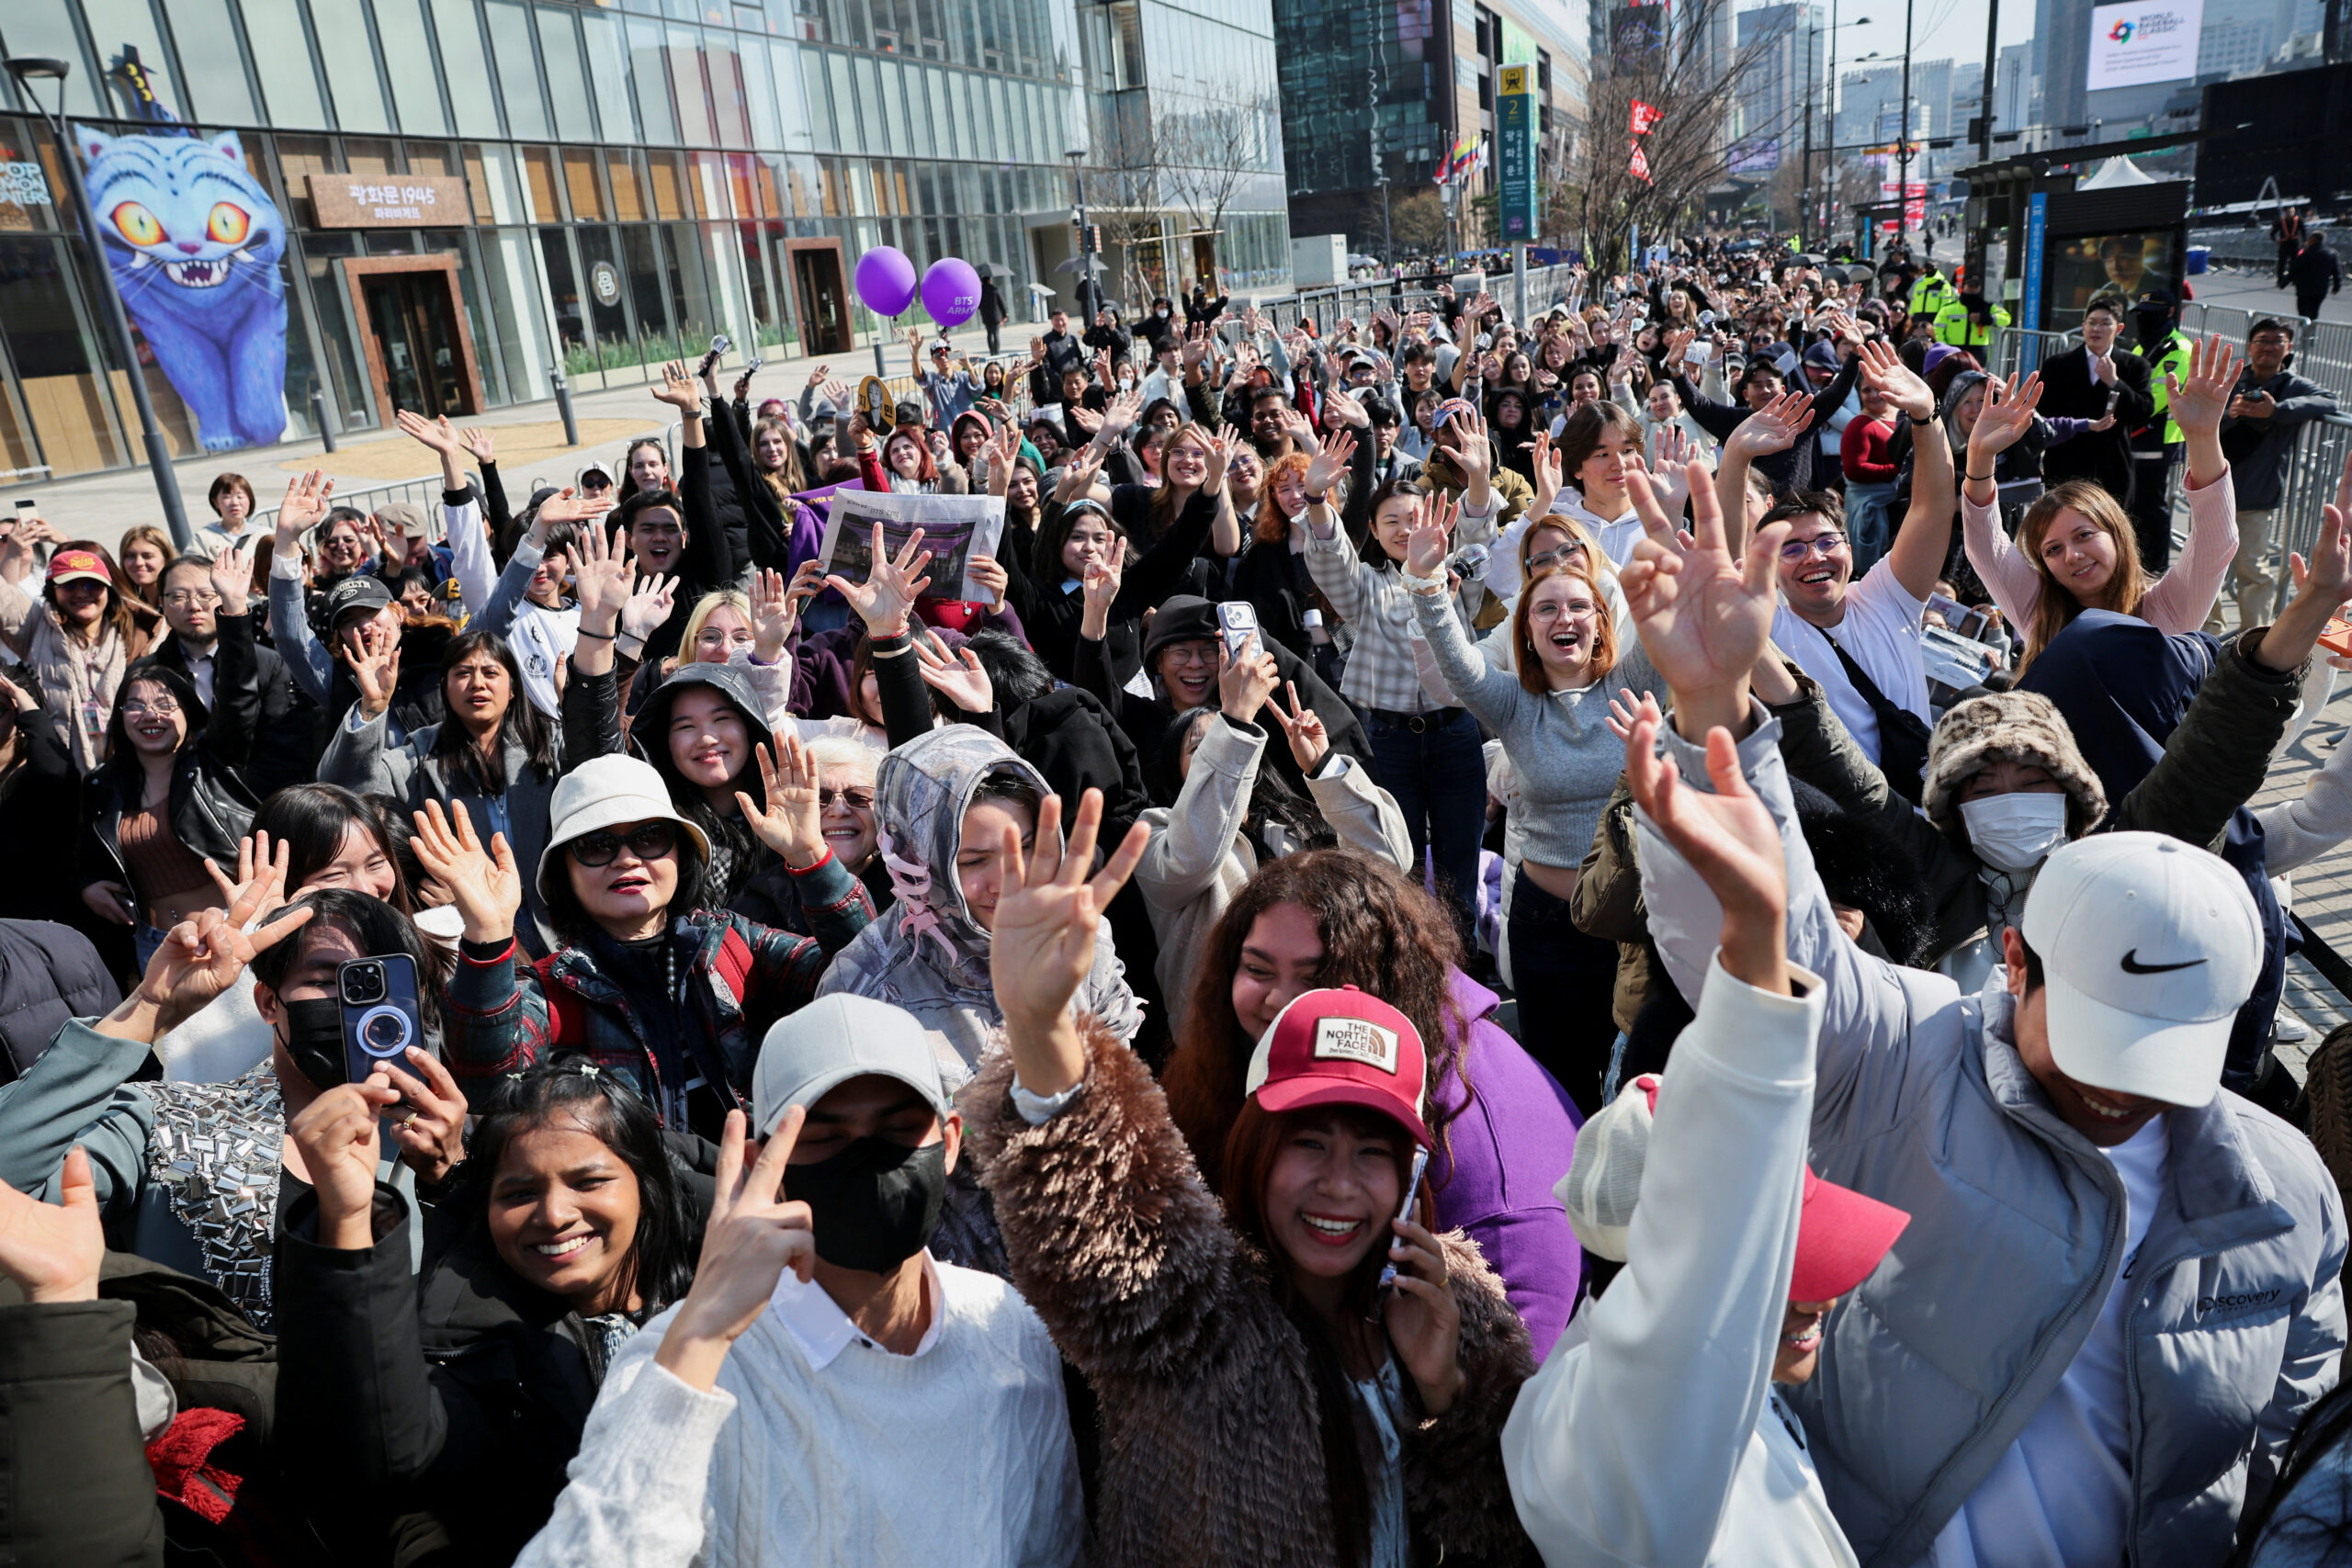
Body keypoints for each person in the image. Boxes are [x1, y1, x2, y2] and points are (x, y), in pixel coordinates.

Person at [1613, 490, 2348, 1568]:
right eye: (2096, 1031)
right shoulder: (1912, 1052)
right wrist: (1712, 707)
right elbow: (1783, 953)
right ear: (2015, 968)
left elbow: (2296, 1472)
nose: (2120, 1092)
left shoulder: (2282, 1199)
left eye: (2159, 1043)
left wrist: (2298, 628)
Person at [968, 790, 1540, 1565]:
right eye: (1308, 1141)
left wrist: (1449, 1398)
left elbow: (1518, 1533)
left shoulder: (1458, 1307)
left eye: (1372, 1150)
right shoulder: (1192, 1313)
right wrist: (1039, 1030)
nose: (1339, 1182)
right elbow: (1096, 1204)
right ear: (1254, 1144)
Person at [1503, 747, 1910, 1565]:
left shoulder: (1668, 1398)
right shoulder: (1646, 1440)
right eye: (1775, 1255)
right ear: (1675, 1262)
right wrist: (1757, 941)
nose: (1823, 1294)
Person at [505, 995, 1085, 1567]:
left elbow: (1052, 1545)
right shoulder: (685, 1358)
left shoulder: (1006, 1326)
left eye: (899, 1129)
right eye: (825, 1138)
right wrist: (703, 1332)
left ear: (951, 1140)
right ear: (765, 1167)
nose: (865, 1159)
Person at [274, 1061, 698, 1562]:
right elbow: (392, 1448)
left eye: (588, 1182)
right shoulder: (474, 1341)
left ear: (644, 1188)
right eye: (520, 1194)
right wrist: (349, 1215)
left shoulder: (743, 1290)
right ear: (486, 1208)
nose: (555, 1216)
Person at [0, 877, 465, 1328]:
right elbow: (11, 1186)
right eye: (326, 980)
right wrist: (147, 1009)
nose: (351, 1008)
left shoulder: (440, 1143)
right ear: (267, 1002)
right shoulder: (166, 1123)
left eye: (379, 985)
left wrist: (450, 1183)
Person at [424, 748, 873, 1137]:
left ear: (680, 853)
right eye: (597, 845)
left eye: (650, 837)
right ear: (566, 872)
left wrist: (813, 860)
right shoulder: (548, 990)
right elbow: (489, 1088)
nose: (627, 858)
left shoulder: (736, 942)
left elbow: (869, 978)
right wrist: (487, 935)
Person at [1407, 487, 1663, 1112]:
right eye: (1544, 608)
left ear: (1602, 620)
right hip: (1546, 927)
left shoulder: (1630, 683)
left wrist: (1677, 519)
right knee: (1559, 1086)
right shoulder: (1514, 705)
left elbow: (1673, 623)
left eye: (1579, 605)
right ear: (1526, 628)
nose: (1563, 618)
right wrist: (1426, 580)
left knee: (1637, 1086)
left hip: (1634, 922)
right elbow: (1459, 663)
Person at [818, 725, 1140, 1085]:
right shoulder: (864, 989)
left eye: (1027, 847)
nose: (1007, 881)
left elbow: (1121, 1096)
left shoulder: (1082, 939)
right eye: (973, 861)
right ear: (916, 861)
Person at [1136, 644, 1410, 1026]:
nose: (1223, 750)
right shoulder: (1154, 832)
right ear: (1174, 768)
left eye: (1230, 739)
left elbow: (1387, 864)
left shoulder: (1298, 823)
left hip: (1319, 1016)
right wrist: (1234, 719)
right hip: (1219, 1032)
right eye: (1202, 748)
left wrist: (1324, 767)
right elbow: (1192, 859)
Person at [1303, 440, 1498, 945]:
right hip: (1389, 738)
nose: (1405, 529)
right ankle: (1410, 955)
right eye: (1391, 521)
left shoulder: (1453, 576)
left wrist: (1478, 481)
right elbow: (1329, 561)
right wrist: (1318, 498)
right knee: (1397, 857)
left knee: (1460, 854)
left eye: (1415, 517)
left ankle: (1462, 957)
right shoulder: (1366, 585)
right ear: (1372, 529)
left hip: (1455, 734)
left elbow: (1481, 539)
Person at [1965, 344, 2240, 669]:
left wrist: (2203, 436)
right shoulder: (2039, 611)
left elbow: (2215, 542)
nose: (2072, 555)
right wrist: (1980, 457)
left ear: (2116, 533)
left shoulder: (2165, 610)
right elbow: (1986, 549)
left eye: (2083, 535)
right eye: (2052, 550)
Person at [1761, 341, 1955, 798]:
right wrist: (1734, 463)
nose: (1814, 557)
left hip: (1923, 815)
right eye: (1792, 549)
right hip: (1837, 835)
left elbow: (1932, 508)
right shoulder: (1766, 629)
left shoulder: (1887, 598)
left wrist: (1926, 417)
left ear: (1849, 548)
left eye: (1827, 541)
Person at [324, 629, 568, 956]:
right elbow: (350, 791)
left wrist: (579, 710)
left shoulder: (549, 742)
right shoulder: (422, 753)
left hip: (561, 926)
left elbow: (603, 767)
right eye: (463, 673)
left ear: (513, 689)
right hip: (470, 929)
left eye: (491, 672)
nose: (477, 683)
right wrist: (371, 708)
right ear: (444, 687)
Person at [148, 549, 317, 796]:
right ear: (161, 603)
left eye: (206, 594)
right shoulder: (147, 674)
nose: (194, 606)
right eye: (178, 596)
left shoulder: (269, 663)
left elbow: (287, 751)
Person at [2214, 320, 2341, 631]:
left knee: (2252, 569)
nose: (2269, 346)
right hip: (2215, 488)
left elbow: (2330, 400)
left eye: (2276, 340)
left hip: (2257, 492)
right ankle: (2206, 633)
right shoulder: (2234, 379)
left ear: (2289, 348)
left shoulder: (2292, 385)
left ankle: (2253, 639)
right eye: (2261, 340)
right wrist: (2231, 414)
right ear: (2249, 346)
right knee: (2207, 566)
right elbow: (2203, 417)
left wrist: (2277, 410)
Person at [0, 541, 153, 775]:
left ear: (108, 588)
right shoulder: (34, 624)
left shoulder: (139, 631)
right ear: (53, 590)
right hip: (65, 773)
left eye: (93, 584)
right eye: (70, 585)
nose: (82, 593)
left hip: (133, 767)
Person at [2035, 295, 2151, 507]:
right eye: (2092, 323)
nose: (2096, 329)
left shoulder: (2135, 366)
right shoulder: (2057, 365)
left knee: (2110, 534)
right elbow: (2041, 416)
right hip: (2065, 465)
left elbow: (2143, 412)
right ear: (2083, 327)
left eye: (2105, 323)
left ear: (2119, 328)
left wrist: (2115, 383)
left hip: (2113, 467)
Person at [198, 470, 260, 555]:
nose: (235, 502)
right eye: (227, 497)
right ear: (215, 502)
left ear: (250, 499)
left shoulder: (264, 534)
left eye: (240, 496)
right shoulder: (201, 539)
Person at [2290, 228, 2342, 324]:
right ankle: (2311, 329)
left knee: (2304, 310)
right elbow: (2336, 271)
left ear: (2313, 240)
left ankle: (2306, 330)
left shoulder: (2306, 254)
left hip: (2305, 288)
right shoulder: (2331, 253)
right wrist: (2337, 285)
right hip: (2321, 288)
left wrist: (2284, 282)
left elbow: (2294, 270)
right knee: (2314, 309)